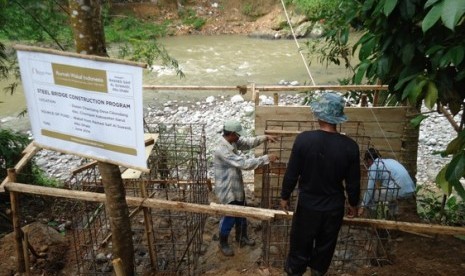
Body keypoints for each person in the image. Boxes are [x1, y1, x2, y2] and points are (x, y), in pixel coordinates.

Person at [280, 92, 361, 276]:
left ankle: (295, 271)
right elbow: (353, 183)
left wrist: (285, 196)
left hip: (308, 205)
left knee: (300, 245)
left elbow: (292, 173)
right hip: (334, 207)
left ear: (319, 115)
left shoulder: (304, 139)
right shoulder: (350, 146)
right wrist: (353, 204)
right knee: (325, 247)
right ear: (338, 118)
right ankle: (317, 272)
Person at [214, 119, 279, 257]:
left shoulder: (232, 141)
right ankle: (223, 242)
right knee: (230, 215)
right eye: (237, 135)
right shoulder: (222, 150)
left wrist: (265, 137)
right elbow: (243, 163)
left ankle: (241, 236)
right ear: (231, 134)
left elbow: (248, 142)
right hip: (227, 188)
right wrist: (266, 158)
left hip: (236, 185)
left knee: (242, 211)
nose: (239, 137)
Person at [358, 147, 416, 219]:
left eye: (366, 162)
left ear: (369, 160)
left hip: (398, 191)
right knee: (389, 196)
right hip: (410, 190)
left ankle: (371, 221)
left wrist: (362, 206)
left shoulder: (374, 166)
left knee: (372, 195)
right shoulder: (390, 161)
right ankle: (392, 217)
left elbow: (370, 189)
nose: (367, 164)